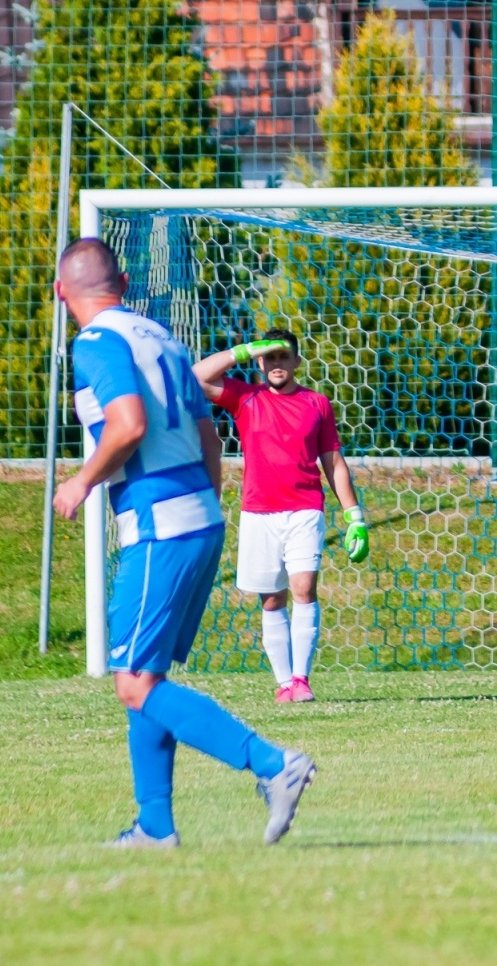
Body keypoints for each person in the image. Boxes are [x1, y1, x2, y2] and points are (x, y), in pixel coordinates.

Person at [51, 238, 315, 848]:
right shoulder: (163, 338)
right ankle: (155, 826)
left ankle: (273, 764)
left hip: (158, 523)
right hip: (199, 516)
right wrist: (205, 506)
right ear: (123, 282)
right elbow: (210, 438)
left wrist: (81, 481)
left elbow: (129, 425)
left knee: (133, 682)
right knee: (145, 675)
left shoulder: (96, 342)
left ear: (62, 292)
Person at [191, 329, 368, 703]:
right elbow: (196, 377)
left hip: (305, 510)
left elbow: (333, 462)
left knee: (304, 589)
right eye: (269, 356)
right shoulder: (246, 398)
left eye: (283, 356)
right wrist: (242, 350)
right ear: (259, 361)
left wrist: (354, 516)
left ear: (296, 362)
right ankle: (285, 683)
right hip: (259, 514)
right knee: (272, 600)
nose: (276, 363)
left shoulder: (317, 404)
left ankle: (302, 680)